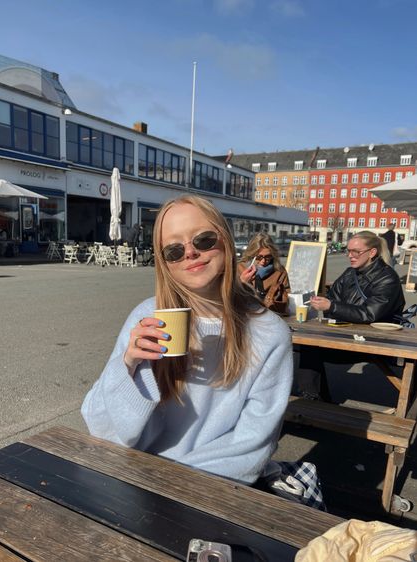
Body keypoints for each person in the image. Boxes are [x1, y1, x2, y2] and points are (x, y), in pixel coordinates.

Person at [82, 194, 293, 485]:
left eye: (204, 240)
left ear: (226, 241)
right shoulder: (146, 315)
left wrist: (172, 483)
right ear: (165, 263)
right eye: (174, 250)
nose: (190, 253)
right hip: (132, 476)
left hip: (209, 487)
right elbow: (100, 424)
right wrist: (127, 366)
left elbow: (250, 447)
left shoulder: (270, 334)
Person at [298, 231, 405, 401]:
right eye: (348, 251)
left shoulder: (388, 278)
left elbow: (369, 314)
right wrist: (327, 304)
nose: (350, 256)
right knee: (303, 345)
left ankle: (312, 399)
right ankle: (314, 399)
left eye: (356, 252)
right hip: (346, 335)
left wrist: (332, 306)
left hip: (375, 341)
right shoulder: (349, 274)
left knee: (309, 349)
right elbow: (332, 300)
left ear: (372, 253)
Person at [238, 233, 290, 314]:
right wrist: (242, 283)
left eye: (268, 256)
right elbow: (229, 298)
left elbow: (287, 296)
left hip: (273, 314)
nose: (263, 261)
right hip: (245, 315)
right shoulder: (239, 268)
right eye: (259, 257)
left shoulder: (279, 271)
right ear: (252, 254)